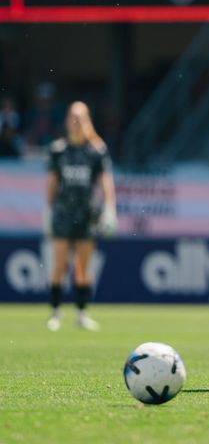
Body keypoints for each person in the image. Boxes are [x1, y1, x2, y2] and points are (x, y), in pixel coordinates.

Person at [45, 101, 117, 331]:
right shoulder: (58, 149)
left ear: (87, 120)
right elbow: (52, 183)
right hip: (63, 214)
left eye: (81, 117)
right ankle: (55, 313)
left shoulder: (96, 150)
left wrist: (109, 209)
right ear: (67, 120)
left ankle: (82, 313)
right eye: (73, 117)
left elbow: (106, 182)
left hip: (86, 214)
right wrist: (47, 210)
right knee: (59, 265)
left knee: (83, 267)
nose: (76, 122)